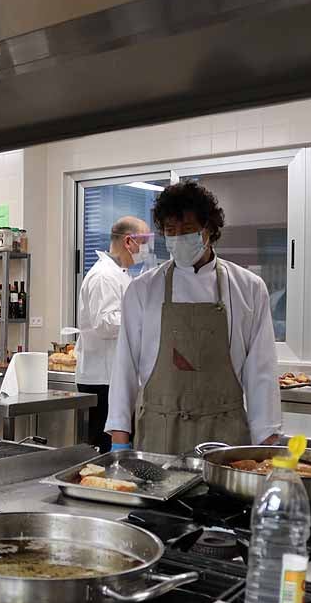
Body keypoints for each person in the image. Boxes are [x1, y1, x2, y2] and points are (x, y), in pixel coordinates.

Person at [105, 181, 281, 454]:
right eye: (170, 232)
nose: (178, 238)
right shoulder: (142, 290)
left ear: (209, 229)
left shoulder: (248, 288)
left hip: (225, 434)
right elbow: (124, 366)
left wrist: (266, 443)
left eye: (187, 230)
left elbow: (261, 372)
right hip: (158, 433)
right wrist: (119, 439)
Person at [76, 216, 152, 452]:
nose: (148, 249)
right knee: (107, 447)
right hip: (103, 378)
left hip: (113, 375)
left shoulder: (120, 273)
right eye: (146, 241)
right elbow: (105, 323)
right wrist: (145, 318)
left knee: (120, 444)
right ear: (129, 241)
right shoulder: (104, 276)